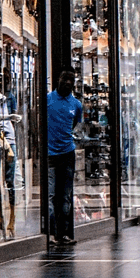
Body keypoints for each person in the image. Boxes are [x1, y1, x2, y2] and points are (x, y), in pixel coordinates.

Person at [46, 71, 82, 247]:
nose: (67, 83)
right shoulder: (48, 100)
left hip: (68, 153)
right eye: (64, 80)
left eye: (71, 81)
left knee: (66, 196)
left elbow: (74, 123)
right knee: (51, 194)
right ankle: (51, 234)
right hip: (50, 154)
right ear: (58, 81)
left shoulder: (76, 104)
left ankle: (64, 233)